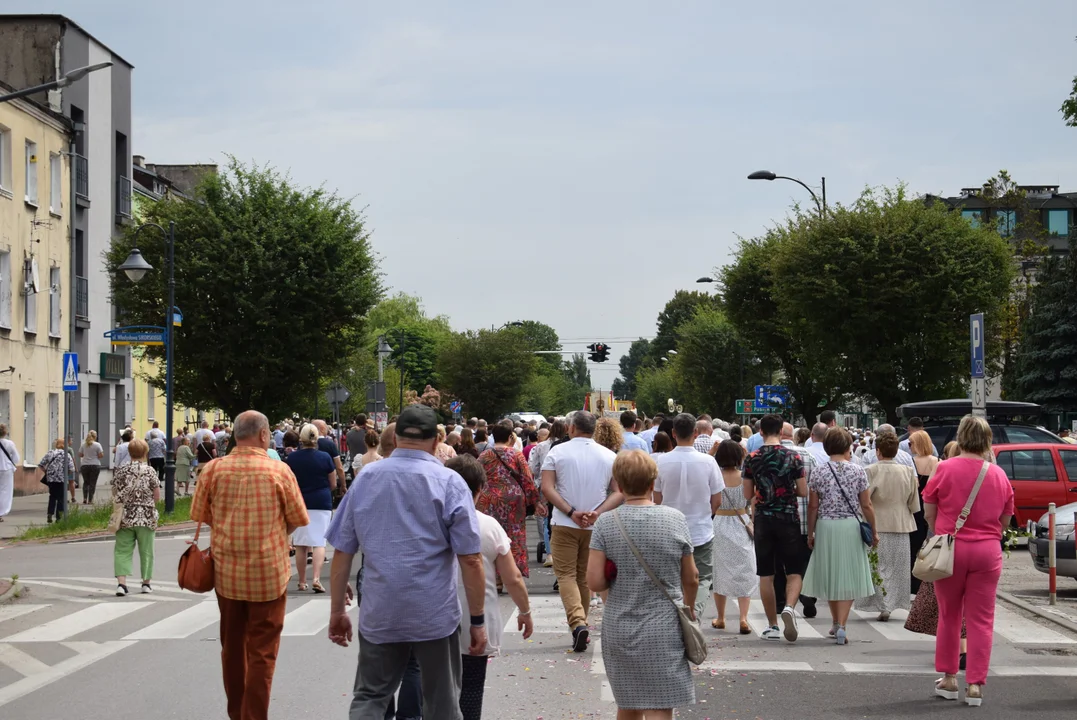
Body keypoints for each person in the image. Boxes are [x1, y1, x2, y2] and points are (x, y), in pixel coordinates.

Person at [326, 405, 486, 720]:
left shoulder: (366, 478)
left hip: (380, 609)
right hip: (434, 612)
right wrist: (477, 621)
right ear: (434, 442)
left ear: (396, 439)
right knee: (442, 703)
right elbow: (471, 559)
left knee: (370, 696)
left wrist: (337, 612)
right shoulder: (449, 482)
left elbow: (343, 550)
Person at [190, 411, 310, 720]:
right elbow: (298, 519)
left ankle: (236, 713)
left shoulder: (213, 470)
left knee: (232, 649)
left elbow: (200, 514)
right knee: (262, 653)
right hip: (269, 575)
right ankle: (254, 716)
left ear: (234, 435)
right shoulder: (279, 471)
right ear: (264, 435)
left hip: (227, 576)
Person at [586, 450, 698, 718]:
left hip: (620, 624)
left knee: (628, 703)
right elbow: (691, 577)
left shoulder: (605, 524)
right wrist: (689, 608)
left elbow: (594, 580)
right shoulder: (675, 519)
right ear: (652, 484)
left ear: (619, 485)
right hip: (664, 626)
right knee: (660, 704)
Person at [924, 415, 1014, 707]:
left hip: (951, 549)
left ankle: (950, 678)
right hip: (987, 551)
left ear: (960, 436)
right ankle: (975, 684)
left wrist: (942, 530)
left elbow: (929, 509)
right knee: (982, 619)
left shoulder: (945, 468)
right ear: (988, 440)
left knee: (950, 615)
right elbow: (1006, 516)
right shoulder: (998, 474)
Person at [447, 454, 534, 720]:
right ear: (480, 490)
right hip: (476, 620)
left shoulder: (429, 521)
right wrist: (525, 611)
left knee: (434, 692)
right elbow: (512, 577)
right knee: (471, 691)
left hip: (433, 619)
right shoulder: (488, 525)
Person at [540, 410, 621, 652]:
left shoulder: (557, 452)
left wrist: (570, 510)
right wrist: (597, 511)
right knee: (584, 577)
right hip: (595, 524)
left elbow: (547, 487)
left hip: (565, 522)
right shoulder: (609, 455)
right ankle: (581, 623)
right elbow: (618, 491)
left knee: (565, 575)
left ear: (571, 428)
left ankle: (577, 623)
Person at [802, 427, 877, 645]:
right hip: (850, 526)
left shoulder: (818, 471)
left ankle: (835, 622)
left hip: (826, 525)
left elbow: (813, 506)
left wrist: (810, 532)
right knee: (849, 575)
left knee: (831, 574)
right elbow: (867, 504)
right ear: (847, 447)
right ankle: (842, 624)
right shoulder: (857, 471)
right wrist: (874, 529)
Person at [741, 413, 808, 642]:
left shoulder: (752, 457)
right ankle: (789, 606)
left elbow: (747, 494)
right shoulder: (793, 456)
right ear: (781, 431)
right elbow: (803, 490)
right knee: (794, 570)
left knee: (766, 573)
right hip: (788, 517)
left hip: (764, 520)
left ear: (760, 432)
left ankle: (772, 625)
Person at [654, 413, 723, 621]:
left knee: (673, 578)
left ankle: (675, 615)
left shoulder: (661, 462)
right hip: (700, 528)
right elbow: (717, 499)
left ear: (673, 434)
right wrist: (705, 514)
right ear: (695, 433)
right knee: (702, 578)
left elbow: (657, 499)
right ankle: (693, 612)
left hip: (668, 528)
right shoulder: (709, 462)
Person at [856, 431, 919, 620]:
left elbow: (864, 502)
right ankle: (891, 603)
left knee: (877, 566)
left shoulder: (870, 471)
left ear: (878, 451)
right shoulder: (907, 472)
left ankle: (882, 603)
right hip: (901, 523)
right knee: (897, 568)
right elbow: (914, 504)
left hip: (877, 523)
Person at [477, 422, 543, 582]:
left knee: (491, 536)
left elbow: (476, 477)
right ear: (509, 437)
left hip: (489, 498)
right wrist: (536, 502)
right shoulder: (516, 454)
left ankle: (495, 578)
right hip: (514, 499)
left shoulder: (484, 455)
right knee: (515, 535)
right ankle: (513, 574)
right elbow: (527, 479)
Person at [710, 439, 757, 634]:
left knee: (719, 571)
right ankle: (743, 618)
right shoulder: (744, 477)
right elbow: (752, 499)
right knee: (744, 570)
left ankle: (721, 617)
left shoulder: (716, 477)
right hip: (741, 522)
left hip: (719, 523)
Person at [286, 424, 337, 593]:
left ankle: (301, 581)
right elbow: (333, 483)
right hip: (321, 502)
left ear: (301, 439)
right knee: (319, 542)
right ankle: (316, 578)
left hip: (300, 502)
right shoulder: (325, 457)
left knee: (300, 543)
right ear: (316, 439)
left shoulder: (292, 459)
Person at [111, 438, 161, 595]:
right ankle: (146, 584)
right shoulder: (150, 471)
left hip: (125, 516)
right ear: (145, 453)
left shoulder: (121, 470)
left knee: (122, 550)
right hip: (146, 516)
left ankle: (122, 585)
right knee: (147, 551)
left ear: (129, 453)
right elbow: (157, 495)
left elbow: (114, 491)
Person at [910, 430, 940, 594]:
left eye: (911, 443)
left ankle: (914, 580)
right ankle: (926, 580)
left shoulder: (911, 462)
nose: (909, 447)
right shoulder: (938, 463)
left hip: (915, 507)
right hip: (932, 507)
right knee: (928, 545)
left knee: (914, 545)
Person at [38, 439, 75, 524]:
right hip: (61, 479)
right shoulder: (67, 455)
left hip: (51, 479)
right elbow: (71, 468)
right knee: (61, 498)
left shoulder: (50, 453)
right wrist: (66, 474)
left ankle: (50, 513)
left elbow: (41, 464)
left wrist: (46, 472)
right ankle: (59, 517)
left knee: (52, 496)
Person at [312, 419, 346, 495]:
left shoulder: (303, 445)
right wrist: (343, 485)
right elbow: (339, 467)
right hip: (326, 486)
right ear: (323, 429)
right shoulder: (330, 444)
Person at [79, 430, 105, 504]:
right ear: (95, 436)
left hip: (84, 465)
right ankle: (90, 500)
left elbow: (80, 454)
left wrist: (86, 455)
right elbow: (101, 455)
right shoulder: (97, 445)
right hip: (95, 465)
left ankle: (84, 498)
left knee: (86, 482)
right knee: (92, 483)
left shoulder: (83, 444)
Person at [0, 424, 18, 523]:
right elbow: (16, 457)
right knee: (5, 491)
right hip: (6, 469)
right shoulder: (9, 443)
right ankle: (1, 512)